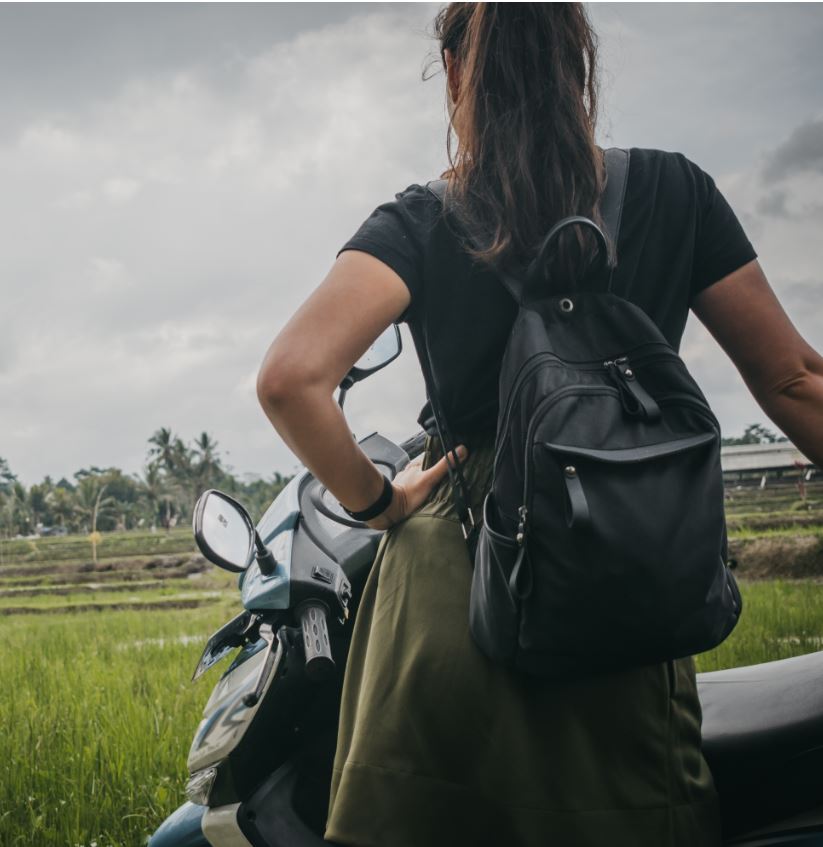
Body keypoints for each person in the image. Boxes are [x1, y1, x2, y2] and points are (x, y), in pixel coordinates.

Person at [256, 4, 823, 846]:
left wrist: (379, 505)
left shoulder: (421, 219)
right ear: (578, 65)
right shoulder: (678, 193)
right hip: (621, 577)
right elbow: (793, 380)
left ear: (456, 74)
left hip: (455, 587)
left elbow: (291, 378)